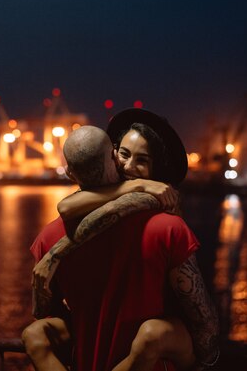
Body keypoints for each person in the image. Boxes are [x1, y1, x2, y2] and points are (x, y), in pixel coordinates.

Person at [23, 111, 219, 371]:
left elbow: (47, 312)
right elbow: (202, 317)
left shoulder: (47, 236)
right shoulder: (168, 228)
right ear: (112, 155)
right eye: (124, 154)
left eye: (142, 160)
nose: (127, 167)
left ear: (70, 172)